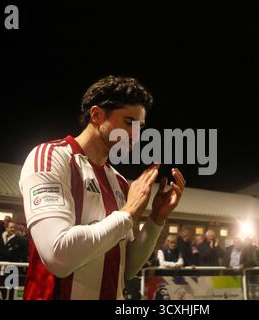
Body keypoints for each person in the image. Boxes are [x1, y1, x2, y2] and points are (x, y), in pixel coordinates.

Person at [19, 76, 185, 300]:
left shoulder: (119, 181)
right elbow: (57, 255)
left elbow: (125, 270)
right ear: (96, 115)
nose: (136, 135)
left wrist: (155, 220)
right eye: (128, 122)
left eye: (140, 126)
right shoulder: (50, 158)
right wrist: (127, 214)